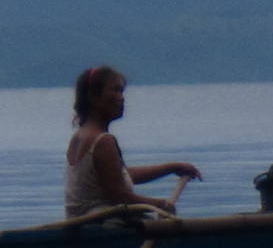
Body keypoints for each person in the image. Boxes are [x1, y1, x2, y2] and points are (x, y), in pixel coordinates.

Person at [65, 65, 201, 219]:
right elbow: (119, 197)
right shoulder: (103, 141)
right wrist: (162, 205)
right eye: (115, 90)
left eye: (121, 91)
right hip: (101, 229)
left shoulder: (78, 137)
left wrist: (172, 167)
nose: (121, 97)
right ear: (94, 97)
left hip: (81, 227)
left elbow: (117, 176)